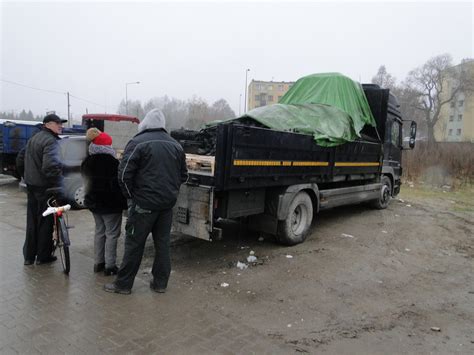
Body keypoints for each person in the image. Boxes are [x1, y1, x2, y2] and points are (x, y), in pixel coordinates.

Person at [104, 108, 188, 295]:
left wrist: (131, 197)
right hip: (166, 206)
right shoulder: (176, 145)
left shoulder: (137, 142)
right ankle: (160, 284)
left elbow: (124, 175)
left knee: (134, 245)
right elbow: (184, 175)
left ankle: (123, 285)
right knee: (163, 245)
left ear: (146, 123)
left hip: (143, 206)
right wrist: (169, 192)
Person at [17, 113, 67, 265]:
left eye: (61, 123)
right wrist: (60, 182)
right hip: (44, 188)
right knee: (45, 221)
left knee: (32, 221)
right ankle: (43, 256)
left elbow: (20, 159)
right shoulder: (50, 141)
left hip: (32, 185)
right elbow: (50, 167)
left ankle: (29, 257)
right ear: (47, 124)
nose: (61, 126)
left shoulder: (34, 138)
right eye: (57, 123)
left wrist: (25, 176)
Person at [81, 129, 127, 276]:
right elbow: (119, 185)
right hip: (111, 205)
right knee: (112, 234)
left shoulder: (87, 162)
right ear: (108, 147)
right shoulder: (114, 163)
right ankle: (110, 266)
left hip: (94, 204)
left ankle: (98, 263)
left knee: (100, 232)